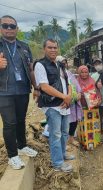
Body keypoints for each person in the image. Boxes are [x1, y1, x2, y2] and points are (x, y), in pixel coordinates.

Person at [0, 15, 38, 170]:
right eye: (5, 26)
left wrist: (36, 87)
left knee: (21, 120)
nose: (9, 29)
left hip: (22, 90)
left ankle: (22, 146)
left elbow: (30, 69)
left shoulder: (24, 46)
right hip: (4, 92)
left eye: (12, 26)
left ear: (17, 28)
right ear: (1, 28)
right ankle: (12, 156)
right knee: (10, 124)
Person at [34, 39, 74, 172]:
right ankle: (57, 163)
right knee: (55, 134)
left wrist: (68, 96)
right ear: (44, 49)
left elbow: (68, 83)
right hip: (52, 105)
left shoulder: (60, 65)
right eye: (50, 47)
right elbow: (44, 87)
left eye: (55, 47)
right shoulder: (40, 65)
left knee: (64, 133)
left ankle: (62, 155)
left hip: (64, 104)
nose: (53, 50)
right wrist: (64, 97)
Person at [56, 56, 82, 148]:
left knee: (74, 121)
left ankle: (71, 138)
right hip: (63, 102)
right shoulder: (56, 74)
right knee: (64, 122)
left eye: (65, 62)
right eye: (62, 62)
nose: (64, 64)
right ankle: (64, 142)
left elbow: (76, 84)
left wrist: (79, 93)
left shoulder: (69, 73)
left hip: (73, 102)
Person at [91, 58, 103, 137]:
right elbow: (91, 88)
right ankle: (99, 135)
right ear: (94, 66)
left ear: (102, 64)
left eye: (99, 64)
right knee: (98, 119)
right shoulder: (92, 76)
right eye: (96, 64)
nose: (98, 66)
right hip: (98, 102)